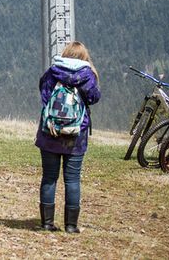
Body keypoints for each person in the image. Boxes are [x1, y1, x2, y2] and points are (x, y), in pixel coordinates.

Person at [35, 42, 101, 233]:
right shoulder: (87, 75)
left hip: (50, 132)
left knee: (49, 177)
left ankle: (47, 223)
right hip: (75, 135)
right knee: (72, 179)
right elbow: (94, 98)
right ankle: (71, 226)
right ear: (83, 57)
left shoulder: (53, 71)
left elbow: (45, 94)